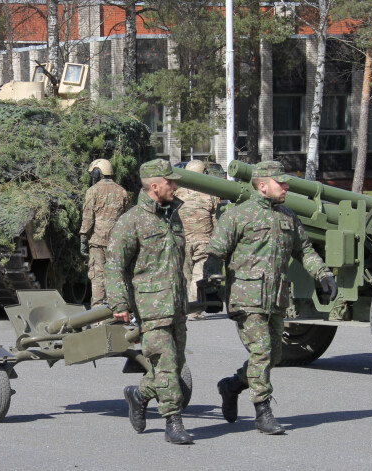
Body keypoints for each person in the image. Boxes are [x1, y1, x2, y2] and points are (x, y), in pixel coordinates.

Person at [204, 161, 337, 435]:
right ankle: (263, 410)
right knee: (262, 351)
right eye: (281, 183)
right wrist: (212, 283)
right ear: (263, 186)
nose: (287, 187)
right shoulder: (238, 215)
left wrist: (323, 275)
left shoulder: (288, 216)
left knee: (274, 354)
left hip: (276, 298)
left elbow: (305, 251)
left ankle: (231, 386)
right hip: (246, 297)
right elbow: (215, 253)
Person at [105, 158, 193, 445]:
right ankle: (173, 422)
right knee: (166, 364)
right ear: (154, 186)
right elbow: (114, 265)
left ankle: (139, 394)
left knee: (175, 364)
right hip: (151, 306)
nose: (175, 185)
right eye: (170, 182)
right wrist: (119, 304)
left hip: (177, 304)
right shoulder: (131, 221)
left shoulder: (172, 216)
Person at [79, 158, 129, 307]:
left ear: (96, 173)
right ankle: (119, 309)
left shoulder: (92, 191)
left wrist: (83, 237)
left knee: (98, 276)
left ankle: (98, 314)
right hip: (117, 241)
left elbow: (88, 217)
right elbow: (127, 218)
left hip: (98, 241)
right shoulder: (122, 191)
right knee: (117, 275)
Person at [174, 159, 220, 321]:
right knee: (198, 275)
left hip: (182, 240)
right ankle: (194, 310)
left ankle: (185, 308)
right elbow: (215, 219)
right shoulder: (211, 194)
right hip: (203, 240)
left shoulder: (178, 194)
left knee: (185, 275)